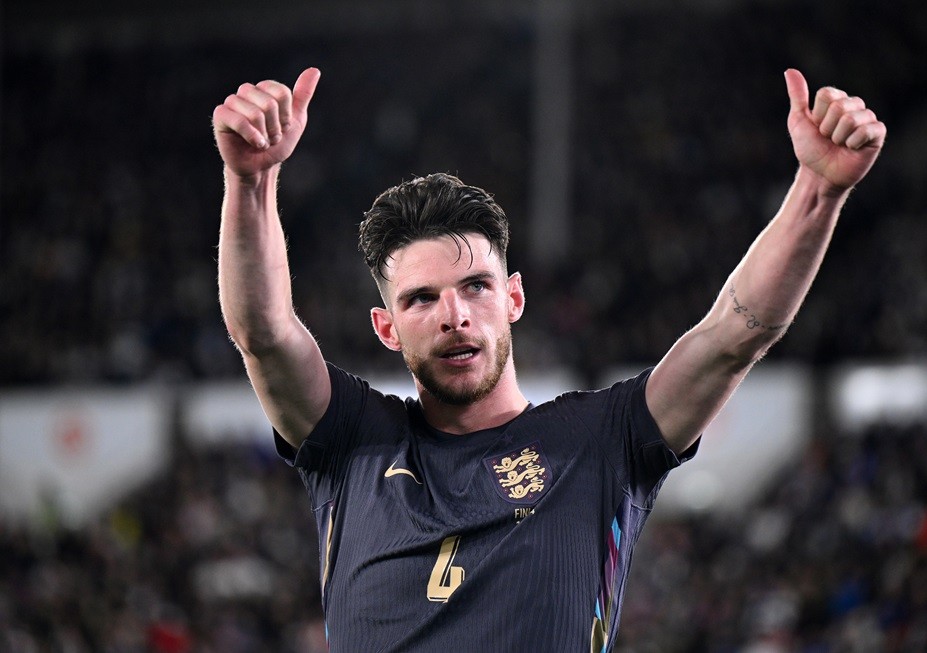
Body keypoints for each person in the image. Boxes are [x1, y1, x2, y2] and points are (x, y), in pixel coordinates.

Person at [213, 66, 885, 651]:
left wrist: (818, 193)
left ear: (514, 298)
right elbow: (264, 333)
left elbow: (734, 333)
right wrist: (250, 182)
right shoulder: (352, 441)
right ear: (386, 328)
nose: (454, 314)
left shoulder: (604, 440)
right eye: (421, 299)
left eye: (475, 286)